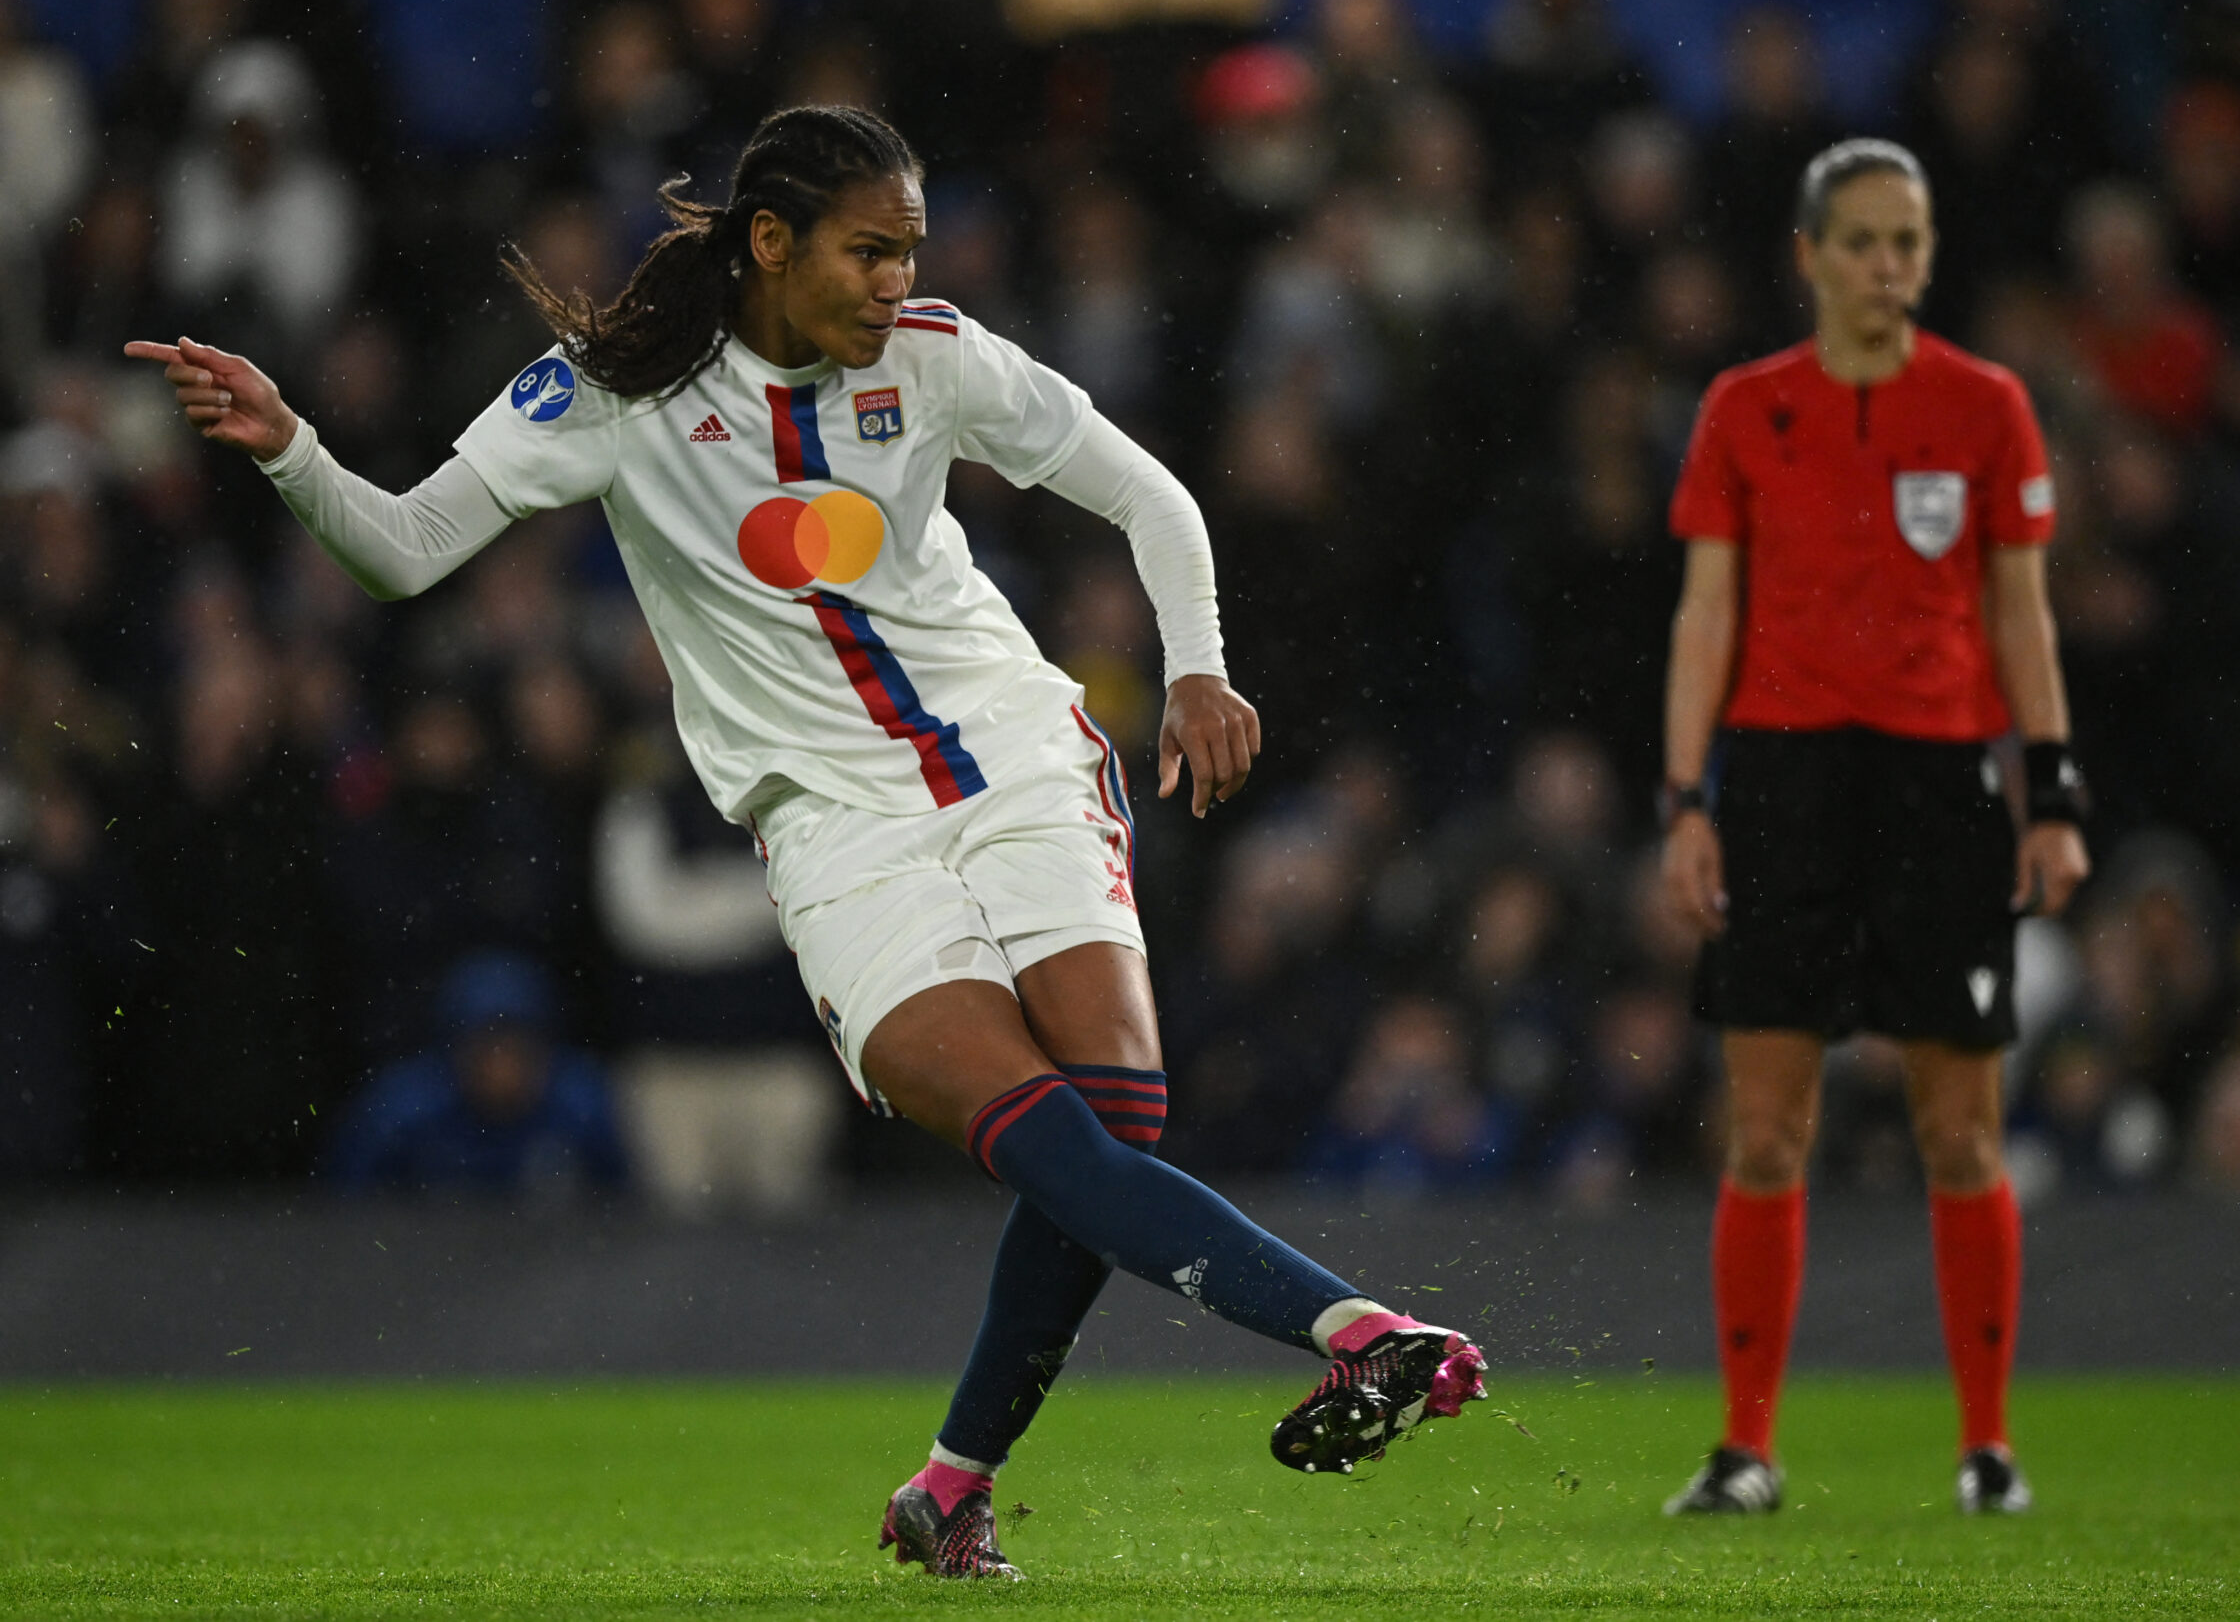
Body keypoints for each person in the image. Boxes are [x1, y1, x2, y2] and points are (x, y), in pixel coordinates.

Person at [130, 103, 1485, 1581]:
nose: (896, 283)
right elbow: (397, 550)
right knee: (1052, 1134)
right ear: (769, 243)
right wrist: (291, 449)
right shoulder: (615, 390)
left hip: (1012, 749)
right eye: (867, 252)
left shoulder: (937, 358)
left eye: (909, 251)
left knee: (1119, 1113)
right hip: (834, 822)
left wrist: (1200, 663)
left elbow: (1145, 488)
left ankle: (955, 1485)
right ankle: (1360, 1330)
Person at [1655, 139, 2089, 1518]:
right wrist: (1685, 799)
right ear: (1809, 254)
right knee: (1768, 1123)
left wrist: (2053, 788)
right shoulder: (1743, 408)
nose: (1891, 265)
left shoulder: (1986, 407)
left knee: (1961, 1125)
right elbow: (1705, 612)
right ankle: (1744, 1447)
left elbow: (2021, 611)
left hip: (1940, 784)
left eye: (1910, 239)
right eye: (1864, 241)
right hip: (1781, 781)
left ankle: (1987, 1446)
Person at [329, 950, 628, 1196]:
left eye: (517, 1049)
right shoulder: (401, 1111)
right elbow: (344, 1206)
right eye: (487, 1049)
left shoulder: (582, 1106)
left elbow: (625, 1207)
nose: (503, 1068)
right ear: (455, 1051)